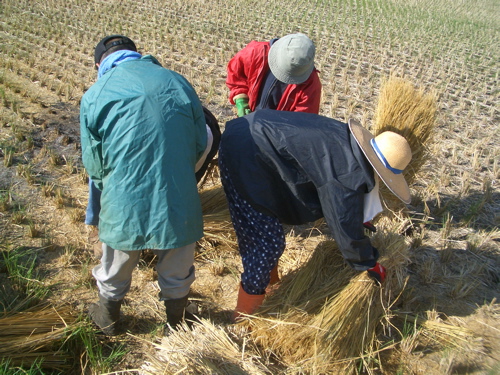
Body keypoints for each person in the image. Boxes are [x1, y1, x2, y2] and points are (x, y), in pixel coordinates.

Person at [218, 109, 413, 320]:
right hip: (245, 150)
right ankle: (246, 316)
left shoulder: (346, 142)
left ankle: (270, 284)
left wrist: (358, 216)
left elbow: (338, 192)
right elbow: (342, 219)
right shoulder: (347, 172)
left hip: (252, 134)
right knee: (267, 243)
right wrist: (368, 262)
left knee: (268, 229)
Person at [80, 35, 208, 335]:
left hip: (124, 196)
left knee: (117, 261)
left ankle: (109, 319)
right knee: (178, 261)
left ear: (100, 64)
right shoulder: (177, 81)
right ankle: (176, 324)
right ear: (137, 55)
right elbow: (200, 140)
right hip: (177, 192)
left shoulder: (96, 93)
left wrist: (114, 190)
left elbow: (94, 165)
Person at [226, 33, 322, 117]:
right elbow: (236, 75)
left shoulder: (310, 85)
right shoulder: (255, 53)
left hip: (278, 129)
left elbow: (301, 120)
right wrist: (241, 102)